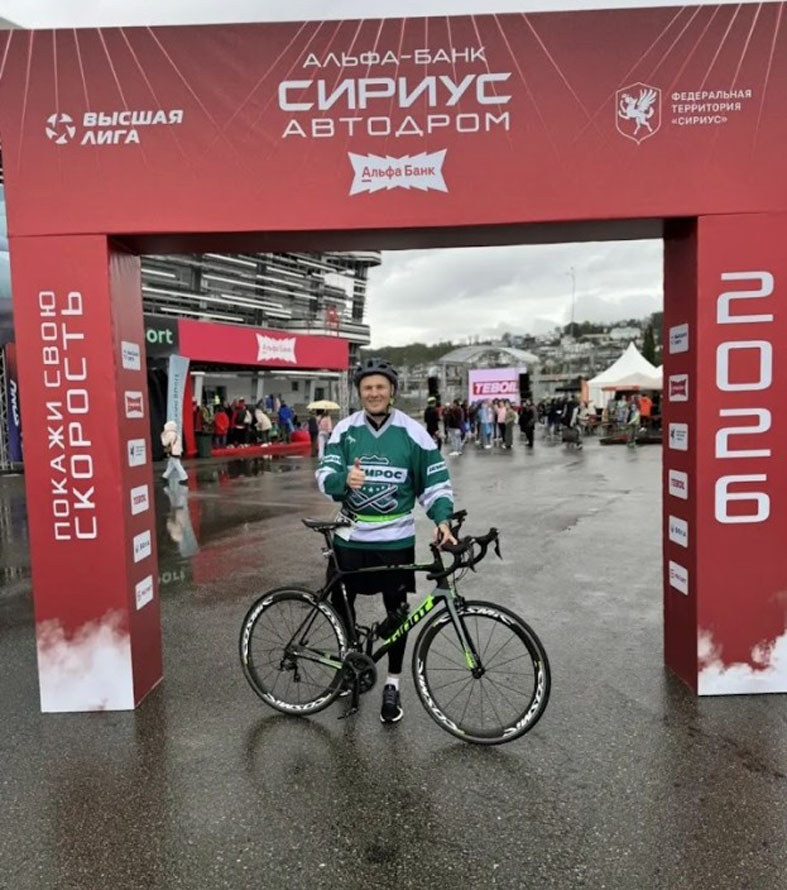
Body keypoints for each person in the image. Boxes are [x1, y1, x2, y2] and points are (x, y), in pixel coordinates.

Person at [316, 357, 456, 725]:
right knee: (341, 609)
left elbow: (435, 484)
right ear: (359, 393)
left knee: (397, 616)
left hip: (395, 541)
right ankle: (349, 666)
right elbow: (324, 476)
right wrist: (343, 480)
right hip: (349, 539)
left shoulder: (413, 432)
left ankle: (392, 684)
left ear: (392, 390)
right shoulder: (345, 430)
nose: (374, 393)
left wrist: (442, 520)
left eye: (380, 387)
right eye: (367, 388)